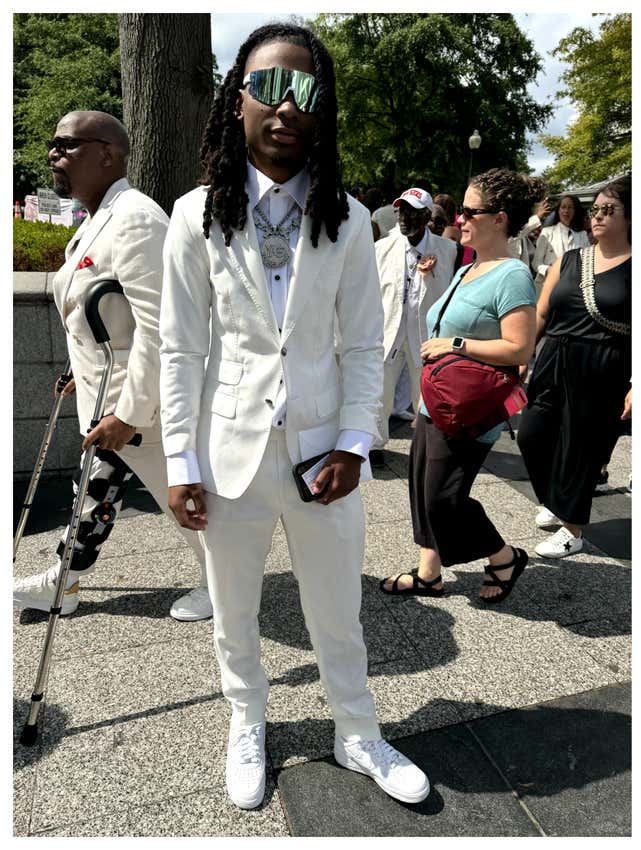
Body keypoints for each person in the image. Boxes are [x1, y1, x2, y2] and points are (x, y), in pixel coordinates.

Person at [158, 24, 430, 810]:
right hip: (230, 453)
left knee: (336, 610)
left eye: (304, 91)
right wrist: (180, 462)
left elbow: (362, 345)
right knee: (234, 610)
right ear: (236, 96)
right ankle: (247, 722)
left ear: (322, 109)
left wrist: (353, 442)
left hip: (322, 459)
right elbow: (180, 350)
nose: (284, 107)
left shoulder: (347, 217)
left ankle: (356, 731)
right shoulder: (194, 215)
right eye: (267, 87)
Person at [13, 111, 211, 623]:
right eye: (53, 145)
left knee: (187, 502)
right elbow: (103, 315)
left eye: (66, 144)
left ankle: (224, 586)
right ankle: (65, 582)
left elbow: (161, 325)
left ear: (107, 153)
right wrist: (82, 370)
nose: (54, 154)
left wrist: (129, 413)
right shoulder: (102, 217)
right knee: (94, 493)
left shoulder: (137, 219)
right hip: (107, 396)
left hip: (141, 405)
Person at [379, 168, 543, 602]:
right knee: (421, 488)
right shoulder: (469, 265)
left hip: (470, 409)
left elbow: (520, 348)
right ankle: (429, 573)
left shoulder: (511, 274)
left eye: (471, 211)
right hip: (438, 401)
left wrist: (456, 344)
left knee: (444, 499)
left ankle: (503, 555)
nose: (458, 218)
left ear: (500, 219)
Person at [517, 176, 631, 557]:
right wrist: (522, 353)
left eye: (608, 210)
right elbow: (543, 312)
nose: (597, 216)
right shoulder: (569, 260)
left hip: (604, 364)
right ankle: (556, 499)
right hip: (555, 357)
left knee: (581, 448)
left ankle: (572, 529)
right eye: (595, 209)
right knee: (531, 434)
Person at [370, 187, 457, 467]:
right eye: (401, 211)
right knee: (379, 390)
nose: (404, 218)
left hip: (425, 333)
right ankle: (374, 444)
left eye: (412, 212)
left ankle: (427, 443)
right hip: (389, 328)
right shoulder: (382, 248)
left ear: (427, 216)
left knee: (427, 391)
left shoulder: (448, 250)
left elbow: (448, 293)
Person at [532, 194, 589, 290]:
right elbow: (536, 263)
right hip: (547, 286)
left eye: (570, 207)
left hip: (572, 287)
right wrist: (549, 270)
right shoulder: (547, 232)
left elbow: (587, 262)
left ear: (575, 211)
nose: (566, 211)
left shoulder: (582, 235)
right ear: (558, 210)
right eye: (563, 207)